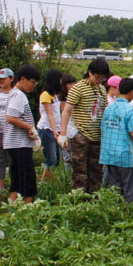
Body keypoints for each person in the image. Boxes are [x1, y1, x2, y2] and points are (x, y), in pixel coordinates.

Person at [58, 58, 109, 194]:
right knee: (80, 171)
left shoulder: (102, 90)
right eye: (97, 77)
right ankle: (79, 200)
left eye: (103, 78)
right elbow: (67, 111)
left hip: (97, 136)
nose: (99, 81)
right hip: (81, 136)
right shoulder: (78, 88)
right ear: (90, 73)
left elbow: (105, 111)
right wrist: (63, 134)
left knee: (96, 171)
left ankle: (94, 199)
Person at [3, 64, 41, 204]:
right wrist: (30, 128)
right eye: (32, 82)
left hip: (14, 144)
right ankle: (27, 208)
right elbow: (11, 118)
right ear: (23, 79)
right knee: (27, 179)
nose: (33, 86)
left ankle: (13, 207)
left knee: (16, 178)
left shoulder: (13, 93)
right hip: (20, 145)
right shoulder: (18, 95)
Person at [100, 77, 133, 203]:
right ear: (132, 92)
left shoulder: (109, 108)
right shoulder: (129, 110)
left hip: (109, 154)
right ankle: (132, 212)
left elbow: (103, 129)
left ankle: (115, 211)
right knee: (129, 188)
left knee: (114, 187)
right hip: (125, 155)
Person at [36, 69, 63, 181]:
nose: (61, 82)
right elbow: (49, 114)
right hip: (47, 129)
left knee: (56, 159)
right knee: (51, 158)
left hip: (54, 129)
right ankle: (47, 180)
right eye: (60, 79)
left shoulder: (55, 95)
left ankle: (45, 179)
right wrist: (55, 131)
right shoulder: (45, 95)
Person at [58, 73, 77, 170]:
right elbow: (66, 112)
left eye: (74, 83)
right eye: (69, 84)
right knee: (67, 158)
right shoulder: (63, 99)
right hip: (67, 130)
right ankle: (68, 180)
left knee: (76, 157)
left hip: (76, 129)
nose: (72, 86)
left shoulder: (77, 96)